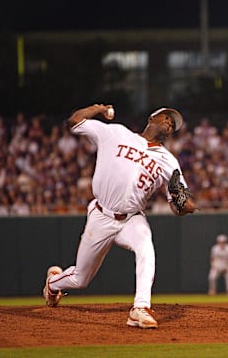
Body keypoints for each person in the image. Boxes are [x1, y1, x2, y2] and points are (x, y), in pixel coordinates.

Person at [42, 103, 197, 329]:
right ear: (152, 118)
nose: (169, 124)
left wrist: (188, 206)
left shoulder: (169, 162)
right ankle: (53, 284)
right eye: (166, 118)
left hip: (132, 218)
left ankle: (140, 308)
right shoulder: (116, 132)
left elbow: (178, 205)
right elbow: (75, 121)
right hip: (101, 215)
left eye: (173, 124)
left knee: (146, 248)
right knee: (80, 279)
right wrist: (97, 108)